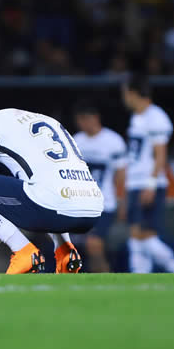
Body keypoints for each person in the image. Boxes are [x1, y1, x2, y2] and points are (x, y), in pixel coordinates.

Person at [0, 109, 103, 274]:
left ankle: (24, 252)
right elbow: (2, 215)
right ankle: (65, 251)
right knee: (45, 189)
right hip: (93, 209)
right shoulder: (36, 124)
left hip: (53, 205)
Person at [121, 75, 174, 273]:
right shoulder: (137, 117)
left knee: (145, 237)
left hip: (148, 183)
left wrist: (151, 184)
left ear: (133, 93)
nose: (124, 98)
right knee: (136, 236)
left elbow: (160, 155)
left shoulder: (156, 117)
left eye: (125, 93)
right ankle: (141, 279)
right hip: (135, 182)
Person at [73, 101, 127, 272]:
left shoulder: (113, 141)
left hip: (104, 203)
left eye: (86, 118)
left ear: (96, 118)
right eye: (80, 120)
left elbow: (121, 174)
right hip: (80, 202)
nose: (83, 123)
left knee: (93, 244)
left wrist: (122, 201)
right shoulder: (76, 141)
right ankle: (95, 279)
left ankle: (106, 276)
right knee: (76, 247)